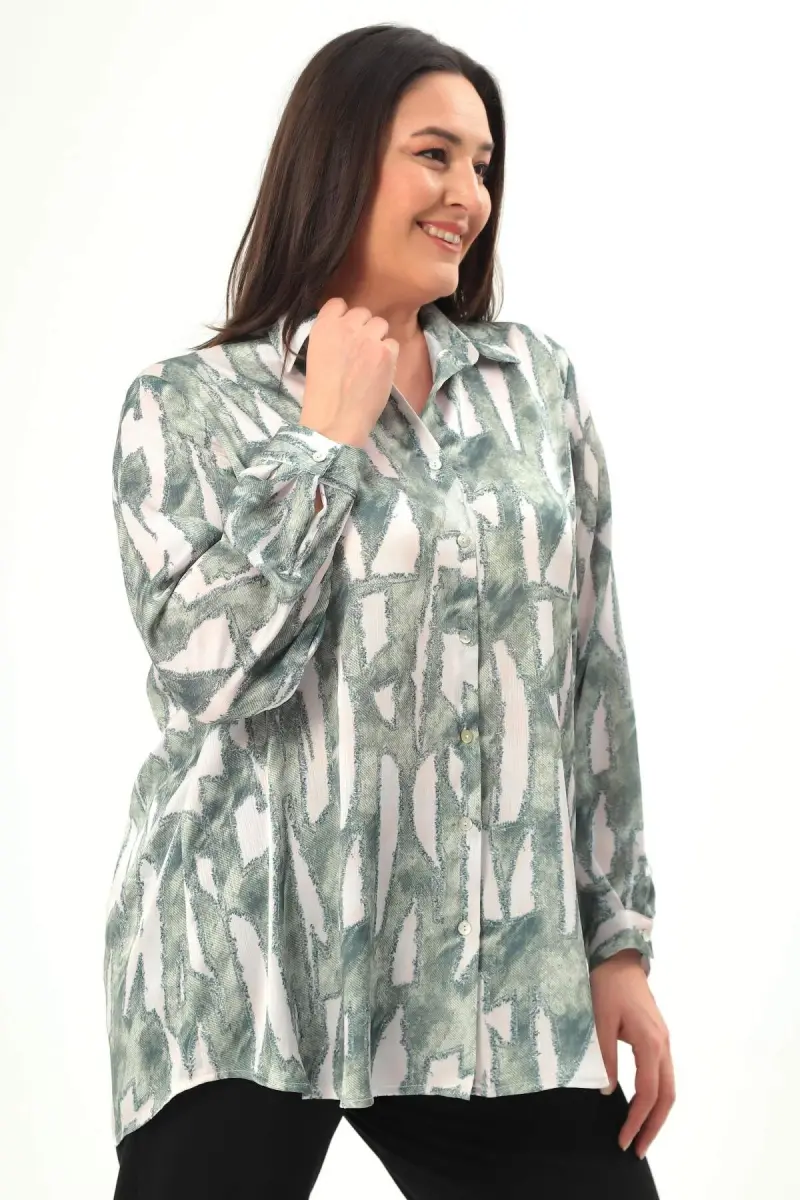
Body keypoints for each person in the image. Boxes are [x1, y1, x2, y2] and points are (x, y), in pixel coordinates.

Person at [106, 21, 674, 1200]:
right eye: (433, 154)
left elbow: (588, 677)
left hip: (493, 980)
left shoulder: (534, 390)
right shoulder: (189, 405)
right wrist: (323, 439)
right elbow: (203, 673)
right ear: (338, 160)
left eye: (481, 163)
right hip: (251, 975)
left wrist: (614, 943)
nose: (468, 193)